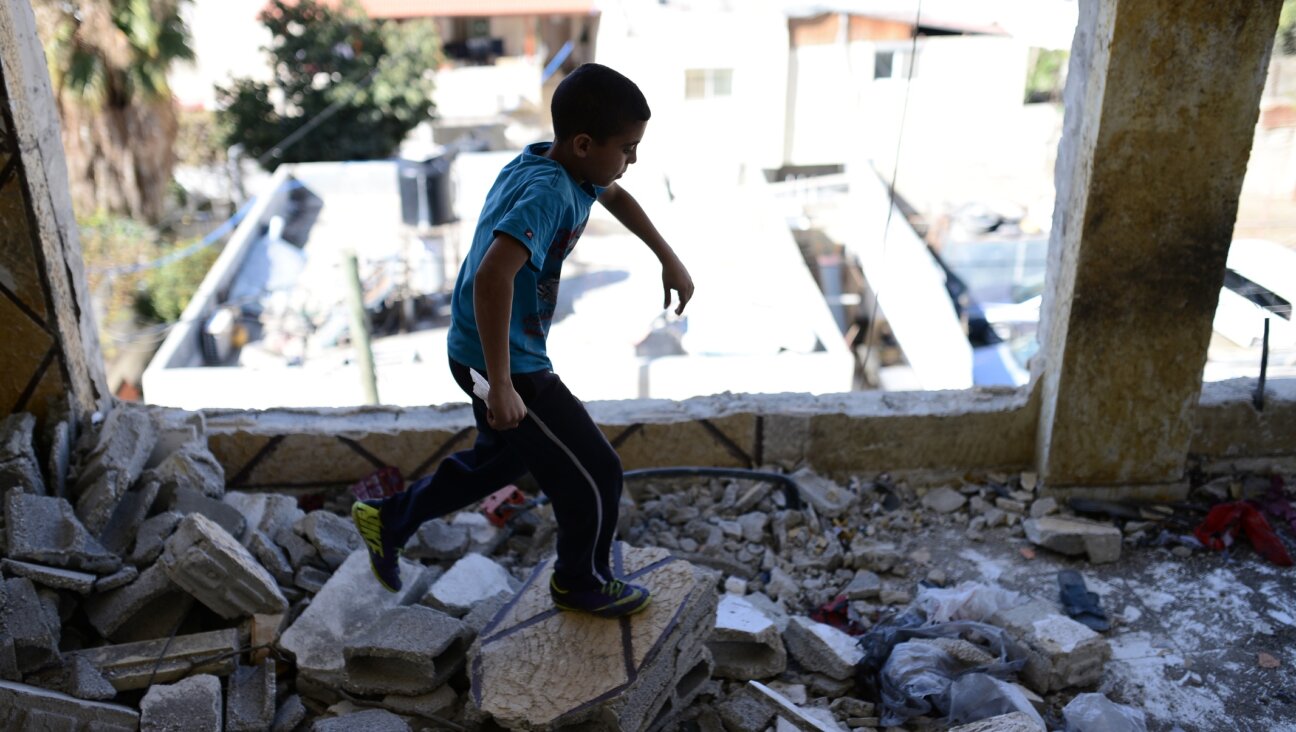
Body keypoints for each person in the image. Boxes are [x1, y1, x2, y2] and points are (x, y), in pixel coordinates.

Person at [352, 63, 693, 619]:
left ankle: (390, 518)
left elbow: (614, 194)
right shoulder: (547, 193)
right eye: (628, 148)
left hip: (476, 348)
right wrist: (503, 384)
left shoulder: (554, 159)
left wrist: (668, 257)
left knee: (500, 463)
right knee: (596, 472)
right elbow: (493, 277)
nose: (632, 160)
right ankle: (578, 580)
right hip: (504, 359)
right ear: (584, 144)